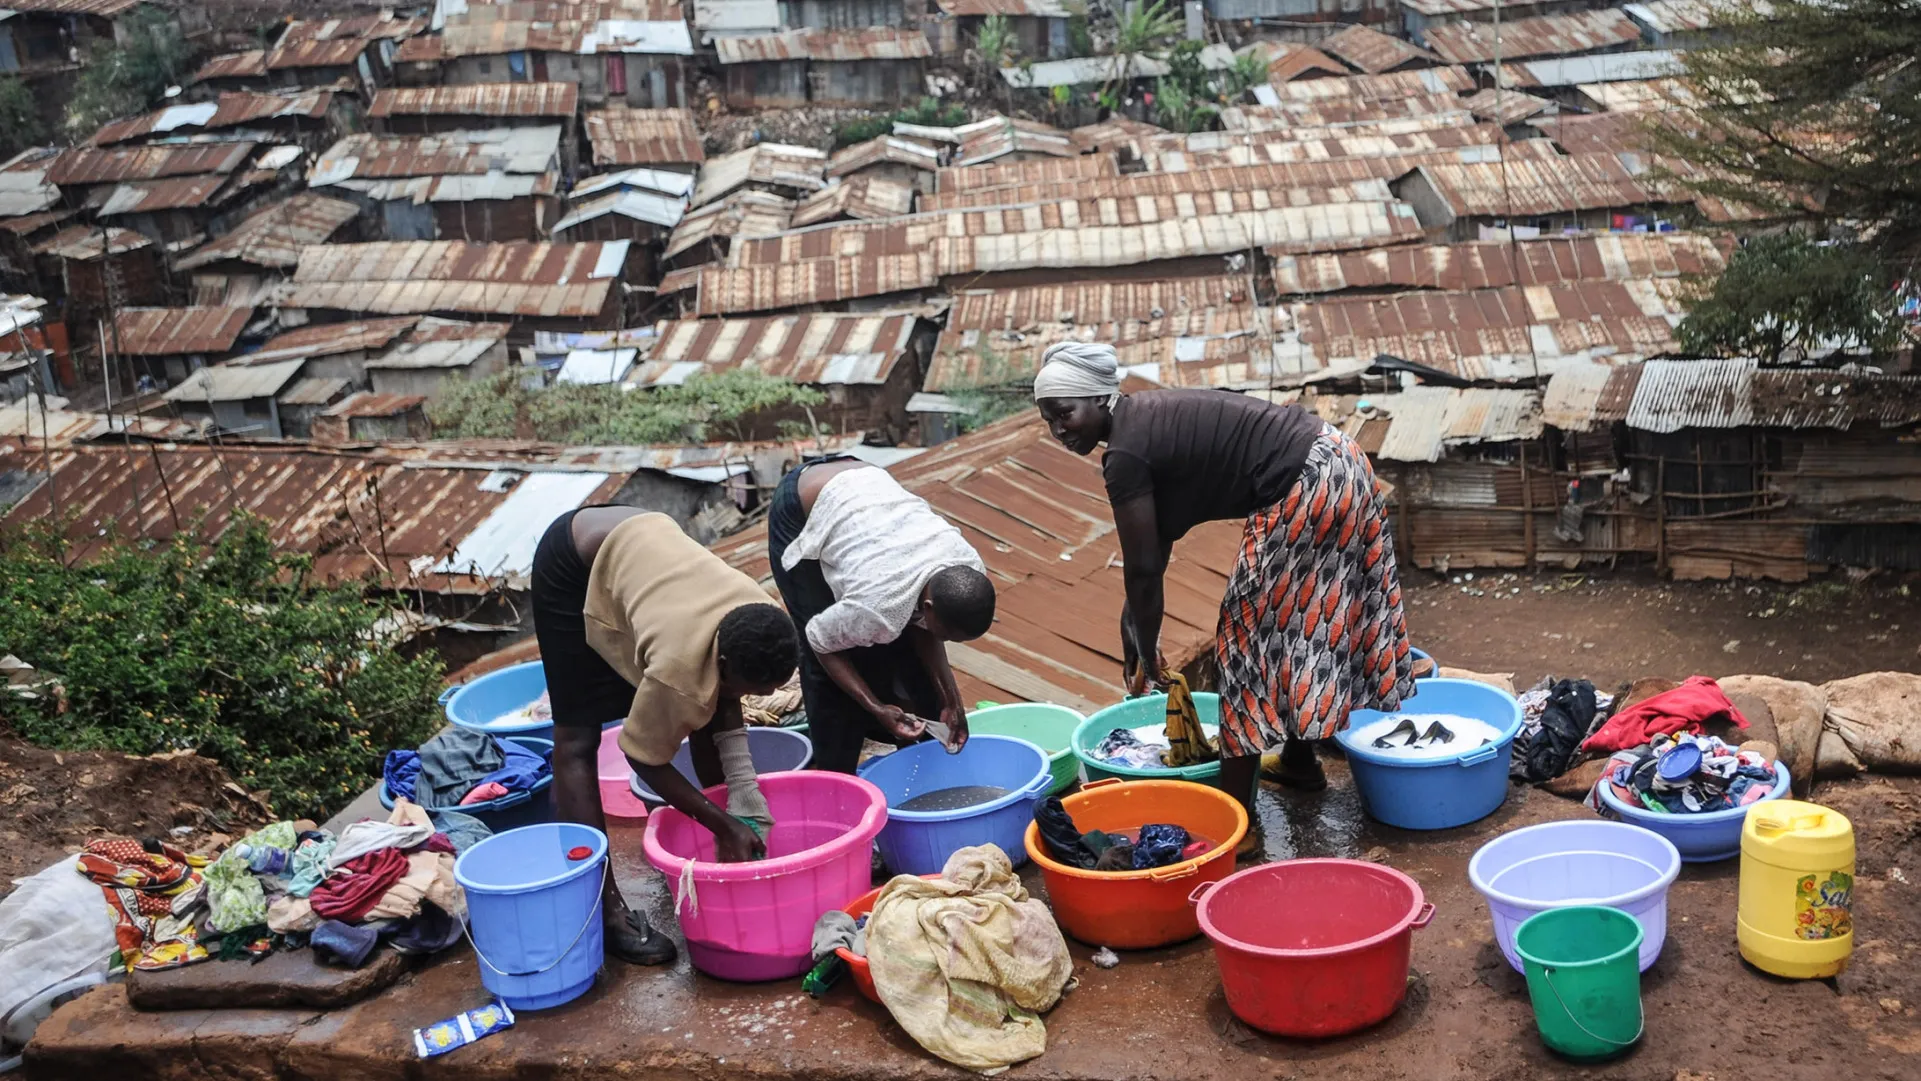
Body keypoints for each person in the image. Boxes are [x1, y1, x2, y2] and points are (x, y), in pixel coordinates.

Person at [1031, 341, 1415, 830]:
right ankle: (1299, 762)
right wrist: (1132, 632)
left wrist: (1148, 652)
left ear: (1098, 398)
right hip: (1340, 461)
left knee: (1244, 648)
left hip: (1305, 483)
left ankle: (1234, 825)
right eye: (1048, 419)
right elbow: (1148, 556)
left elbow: (1144, 570)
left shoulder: (1126, 452)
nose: (1059, 429)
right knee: (1300, 628)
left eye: (1065, 413)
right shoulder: (1144, 421)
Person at [531, 507, 800, 965]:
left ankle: (727, 851)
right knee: (577, 739)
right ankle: (604, 911)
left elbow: (722, 700)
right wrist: (723, 822)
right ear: (725, 664)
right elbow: (642, 756)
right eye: (752, 688)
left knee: (709, 702)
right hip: (574, 560)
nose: (764, 696)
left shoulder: (761, 618)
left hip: (644, 543)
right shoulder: (679, 671)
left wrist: (742, 804)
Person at [768, 457, 997, 774]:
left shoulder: (968, 568)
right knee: (827, 670)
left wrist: (951, 699)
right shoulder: (880, 605)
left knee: (901, 647)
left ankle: (928, 749)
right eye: (945, 635)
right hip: (803, 501)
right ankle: (837, 777)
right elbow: (818, 639)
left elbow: (926, 629)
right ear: (927, 608)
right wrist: (875, 707)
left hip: (866, 486)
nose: (943, 641)